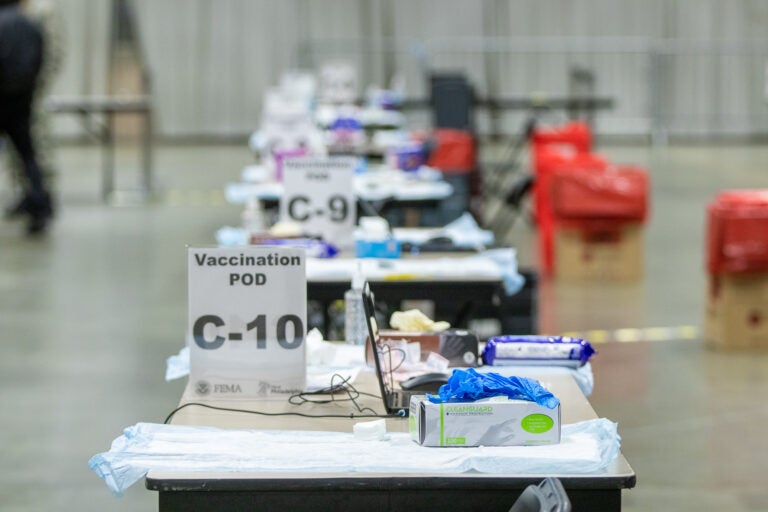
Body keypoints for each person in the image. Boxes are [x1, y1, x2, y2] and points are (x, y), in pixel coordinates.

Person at [4, 0, 64, 221]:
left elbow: (52, 51)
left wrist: (38, 84)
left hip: (30, 90)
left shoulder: (43, 9)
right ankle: (26, 194)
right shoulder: (14, 9)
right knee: (18, 152)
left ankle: (42, 197)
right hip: (16, 91)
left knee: (37, 147)